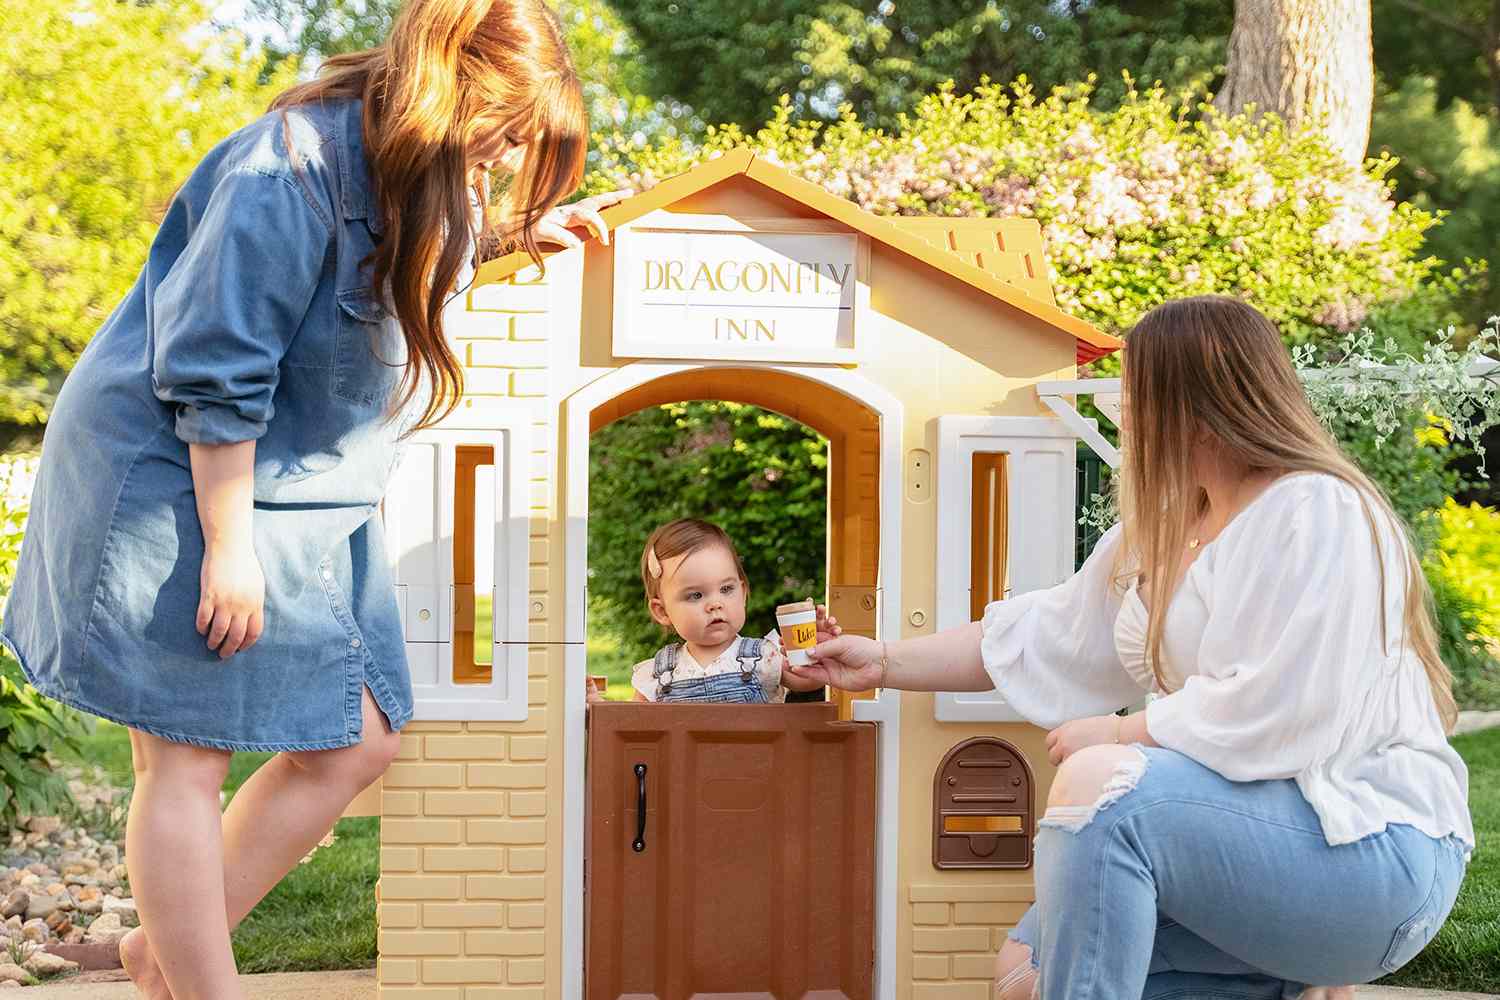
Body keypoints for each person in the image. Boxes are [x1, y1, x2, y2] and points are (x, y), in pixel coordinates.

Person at [0, 2, 627, 997]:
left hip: (303, 487)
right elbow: (214, 370)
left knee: (362, 733)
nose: (506, 160)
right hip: (176, 477)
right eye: (501, 136)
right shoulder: (283, 169)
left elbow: (410, 254)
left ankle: (161, 949)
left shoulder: (426, 177)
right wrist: (227, 544)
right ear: (445, 94)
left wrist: (512, 233)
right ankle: (198, 983)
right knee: (186, 758)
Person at [789, 295, 1473, 1000]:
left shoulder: (1315, 510)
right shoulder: (1164, 531)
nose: (1126, 409)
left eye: (1136, 391)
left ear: (1193, 399)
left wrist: (1124, 731)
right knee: (1025, 973)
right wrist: (884, 662)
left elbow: (1288, 708)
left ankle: (1312, 966)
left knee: (1103, 784)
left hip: (1368, 846)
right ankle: (1295, 983)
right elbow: (1044, 634)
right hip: (1246, 839)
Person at [622, 518, 836, 704]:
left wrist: (811, 648)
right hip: (682, 753)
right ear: (662, 612)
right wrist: (592, 704)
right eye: (695, 595)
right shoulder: (658, 673)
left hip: (753, 751)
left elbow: (808, 680)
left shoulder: (763, 656)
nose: (715, 604)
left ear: (742, 593)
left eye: (726, 589)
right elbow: (629, 722)